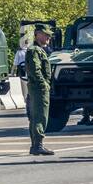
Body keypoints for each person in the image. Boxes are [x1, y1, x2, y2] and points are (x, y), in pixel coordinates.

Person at [25, 27, 55, 155]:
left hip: (38, 87)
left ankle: (36, 145)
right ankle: (37, 145)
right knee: (40, 116)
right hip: (39, 88)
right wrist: (44, 84)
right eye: (46, 35)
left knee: (37, 116)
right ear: (37, 35)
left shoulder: (38, 50)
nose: (48, 38)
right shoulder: (34, 50)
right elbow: (35, 70)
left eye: (49, 35)